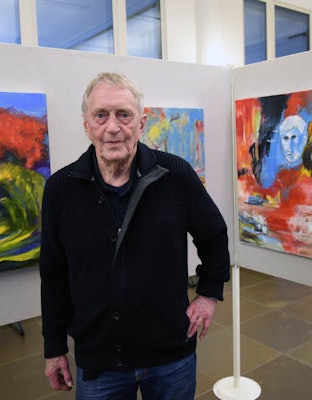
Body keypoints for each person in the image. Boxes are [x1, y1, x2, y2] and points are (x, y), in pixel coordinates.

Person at [40, 72, 230, 400]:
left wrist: (208, 294)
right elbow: (53, 274)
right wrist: (54, 347)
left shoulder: (176, 176)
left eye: (123, 115)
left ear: (141, 123)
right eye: (101, 115)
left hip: (170, 355)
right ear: (86, 125)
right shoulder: (61, 189)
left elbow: (214, 235)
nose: (112, 127)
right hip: (99, 360)